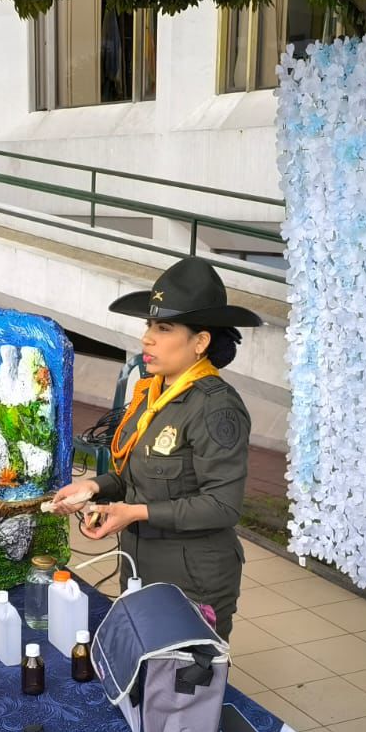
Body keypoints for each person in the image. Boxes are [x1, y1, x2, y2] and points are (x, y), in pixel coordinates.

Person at [49, 257, 258, 638]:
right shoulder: (154, 391)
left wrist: (135, 512)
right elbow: (135, 474)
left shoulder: (216, 407)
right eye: (149, 325)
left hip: (192, 578)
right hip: (141, 566)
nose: (147, 337)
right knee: (143, 676)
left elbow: (222, 505)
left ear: (200, 342)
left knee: (183, 685)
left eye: (163, 328)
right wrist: (94, 487)